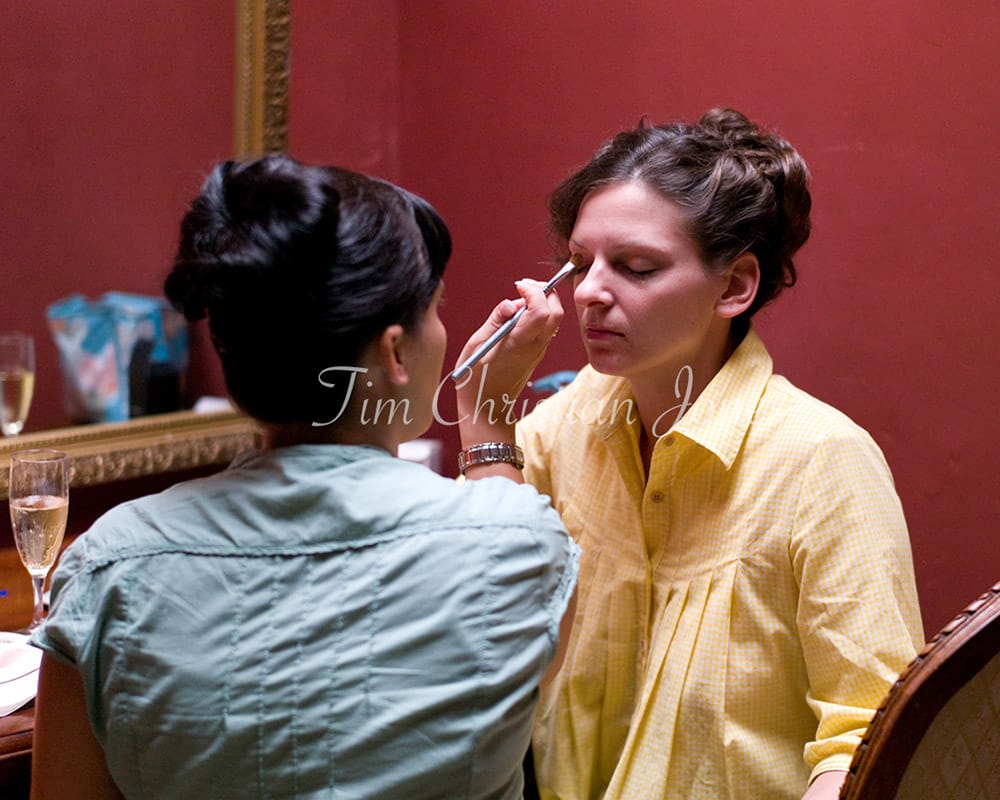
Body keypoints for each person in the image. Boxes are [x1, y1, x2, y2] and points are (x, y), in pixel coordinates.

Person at [29, 155, 579, 800]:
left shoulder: (107, 569)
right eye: (436, 309)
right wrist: (486, 416)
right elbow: (528, 667)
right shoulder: (517, 544)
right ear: (395, 351)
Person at [474, 109, 923, 799]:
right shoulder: (569, 422)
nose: (589, 291)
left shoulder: (822, 461)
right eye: (579, 263)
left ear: (735, 285)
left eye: (636, 266)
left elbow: (867, 736)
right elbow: (484, 632)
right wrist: (485, 413)